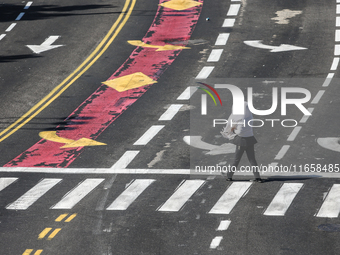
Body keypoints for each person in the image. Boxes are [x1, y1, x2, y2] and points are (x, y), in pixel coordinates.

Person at [221, 101, 263, 183]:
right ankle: (257, 177)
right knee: (252, 159)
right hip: (250, 139)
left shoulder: (237, 117)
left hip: (241, 141)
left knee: (236, 159)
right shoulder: (250, 116)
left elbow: (238, 130)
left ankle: (229, 176)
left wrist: (232, 130)